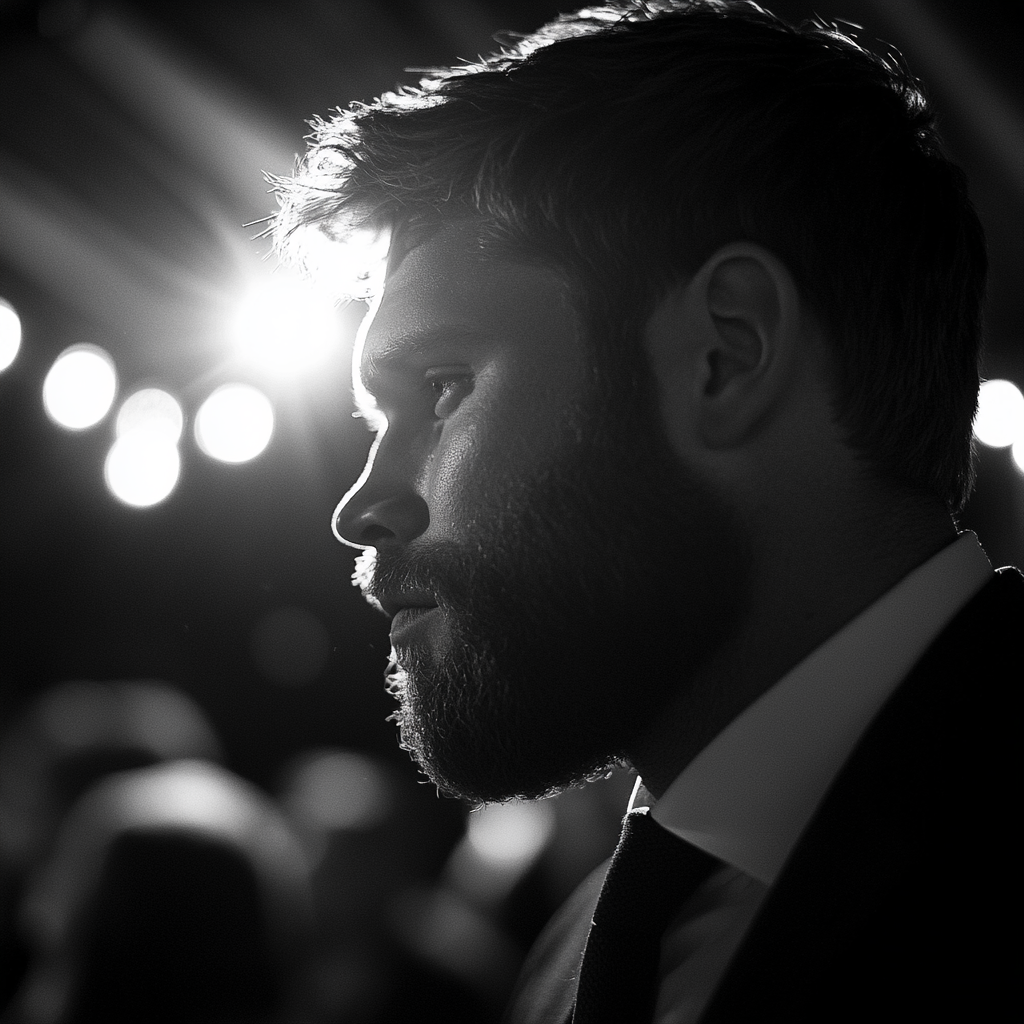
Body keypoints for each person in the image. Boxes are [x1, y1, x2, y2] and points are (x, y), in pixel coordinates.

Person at [268, 2, 1021, 1021]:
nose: (360, 509)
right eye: (372, 419)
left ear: (726, 352)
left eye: (442, 388)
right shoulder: (569, 957)